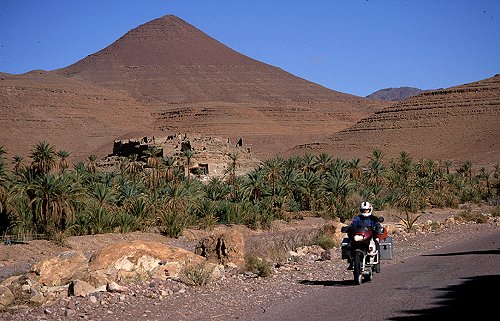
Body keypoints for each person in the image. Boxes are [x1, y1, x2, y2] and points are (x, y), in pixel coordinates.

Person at [346, 201, 384, 270]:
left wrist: (378, 229)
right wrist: (348, 228)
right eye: (363, 210)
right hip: (361, 235)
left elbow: (377, 224)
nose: (365, 211)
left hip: (370, 235)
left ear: (370, 209)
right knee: (349, 243)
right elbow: (353, 224)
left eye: (367, 210)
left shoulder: (373, 218)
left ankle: (377, 263)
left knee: (376, 241)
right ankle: (351, 261)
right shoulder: (358, 218)